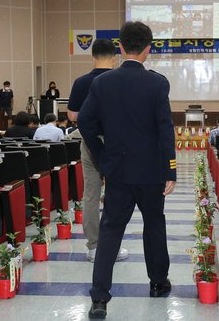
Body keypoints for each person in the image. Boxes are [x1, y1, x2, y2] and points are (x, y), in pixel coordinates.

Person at [78, 21, 176, 319]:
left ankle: (99, 298)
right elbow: (165, 130)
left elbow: (84, 122)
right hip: (150, 172)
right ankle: (158, 282)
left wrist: (102, 157)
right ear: (148, 49)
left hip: (117, 170)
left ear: (120, 47)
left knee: (110, 231)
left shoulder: (102, 82)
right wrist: (170, 170)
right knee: (154, 225)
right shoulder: (158, 83)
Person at [66, 38, 129, 263]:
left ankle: (93, 246)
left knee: (91, 195)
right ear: (114, 57)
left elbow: (73, 116)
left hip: (89, 142)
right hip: (115, 145)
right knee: (117, 195)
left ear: (92, 56)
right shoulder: (120, 81)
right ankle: (113, 246)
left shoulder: (82, 81)